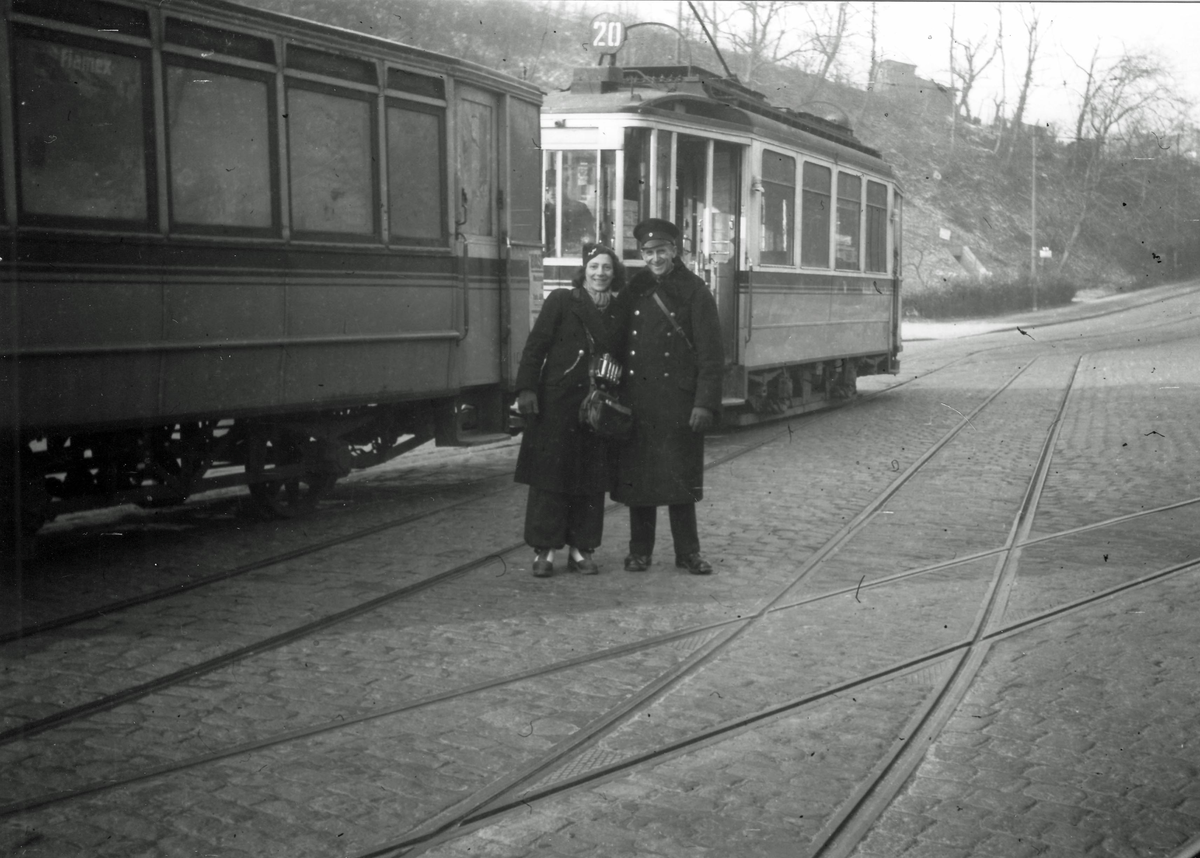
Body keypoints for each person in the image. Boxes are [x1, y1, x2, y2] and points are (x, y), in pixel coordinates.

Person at [611, 218, 724, 575]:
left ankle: (687, 553)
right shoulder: (634, 289)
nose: (655, 258)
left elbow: (711, 354)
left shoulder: (695, 291)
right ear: (641, 255)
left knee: (681, 482)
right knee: (639, 483)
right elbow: (616, 341)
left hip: (679, 402)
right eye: (648, 252)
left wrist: (704, 403)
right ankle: (639, 552)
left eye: (661, 251)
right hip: (639, 401)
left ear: (675, 251)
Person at [514, 243, 624, 577]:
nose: (600, 274)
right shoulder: (562, 300)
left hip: (596, 407)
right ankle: (544, 550)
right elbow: (536, 346)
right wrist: (527, 388)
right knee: (550, 477)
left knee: (591, 478)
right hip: (557, 403)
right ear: (584, 270)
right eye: (594, 267)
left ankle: (581, 548)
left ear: (614, 272)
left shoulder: (620, 310)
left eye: (606, 268)